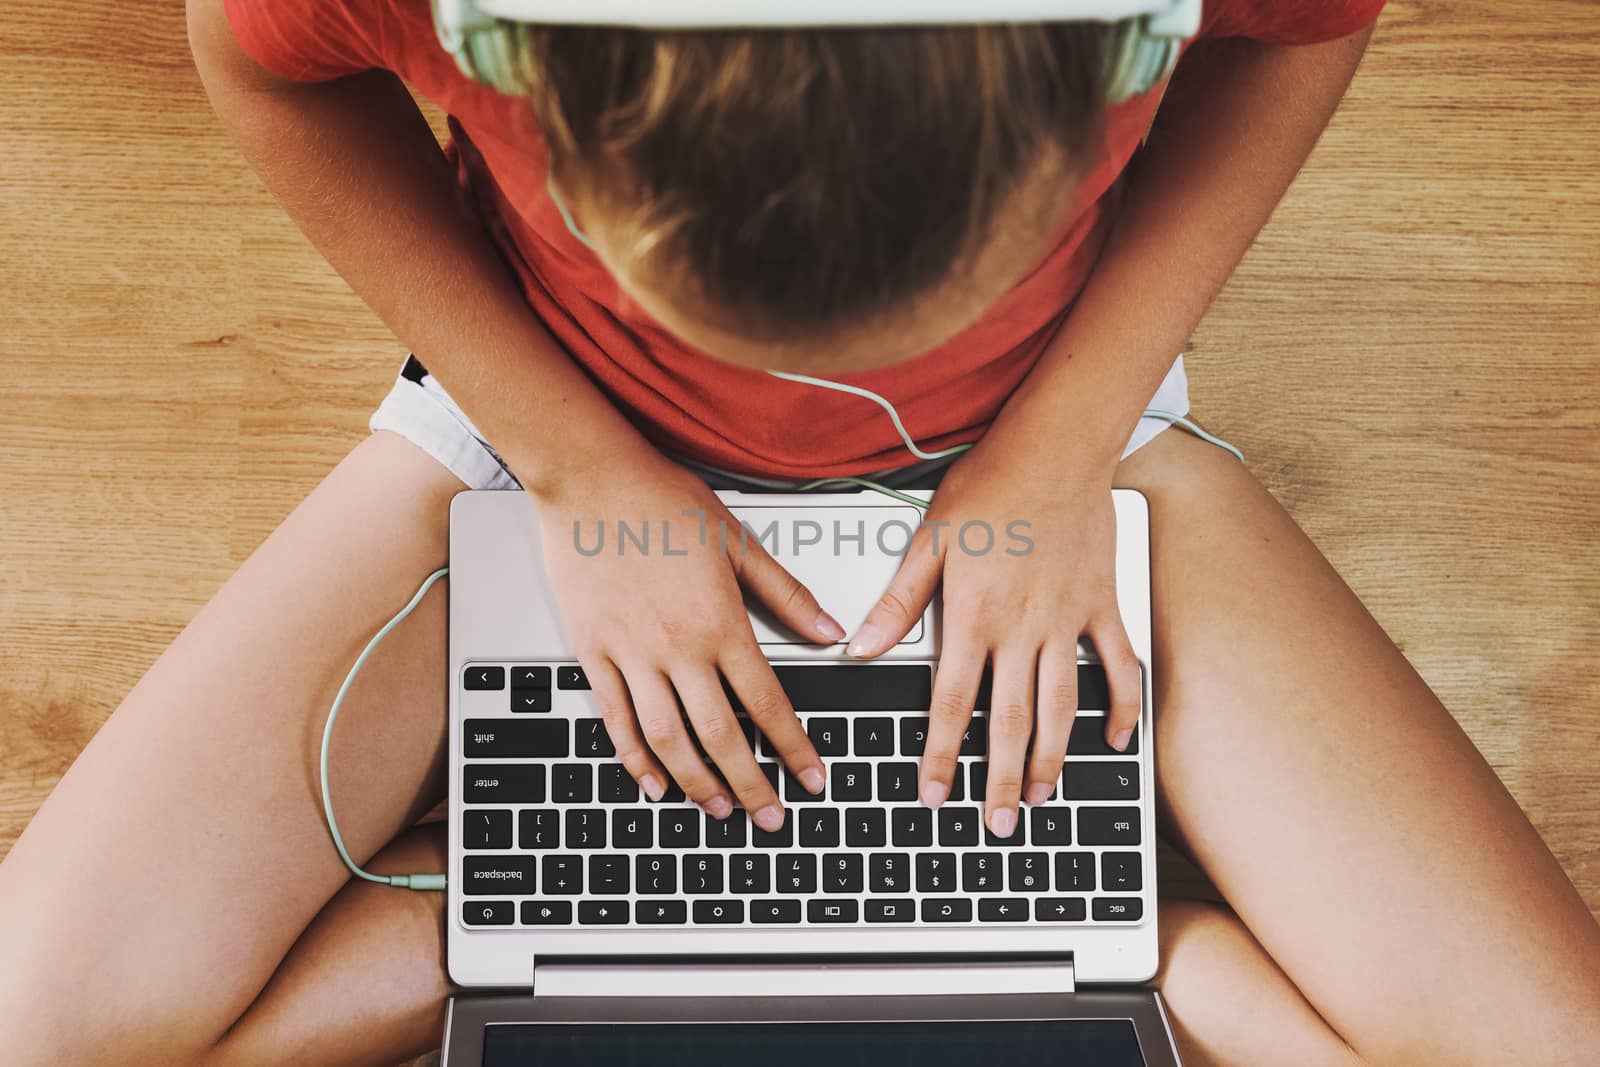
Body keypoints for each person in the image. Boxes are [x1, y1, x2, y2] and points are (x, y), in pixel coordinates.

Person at [1, 1, 1596, 1063]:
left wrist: (1056, 448)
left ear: (1123, 46)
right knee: (34, 1023)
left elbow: (1309, 31)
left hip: (1050, 427)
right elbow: (254, 61)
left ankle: (1126, 931)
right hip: (545, 426)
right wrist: (578, 469)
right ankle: (527, 915)